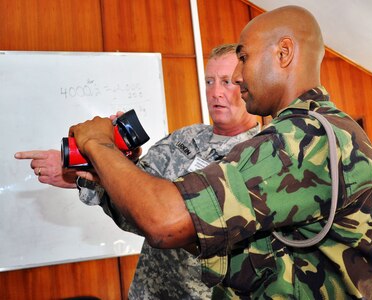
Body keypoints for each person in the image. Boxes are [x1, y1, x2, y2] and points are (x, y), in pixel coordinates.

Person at [57, 5, 372, 299]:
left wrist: (98, 144)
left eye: (244, 58)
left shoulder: (304, 138)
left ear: (283, 53)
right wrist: (105, 173)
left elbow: (165, 221)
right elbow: (248, 254)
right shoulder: (306, 132)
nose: (238, 77)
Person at [15, 44, 260, 299]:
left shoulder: (256, 156)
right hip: (147, 292)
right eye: (209, 81)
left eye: (227, 81)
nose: (215, 92)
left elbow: (160, 219)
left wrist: (105, 162)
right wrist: (86, 166)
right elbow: (131, 202)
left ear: (246, 84)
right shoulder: (187, 136)